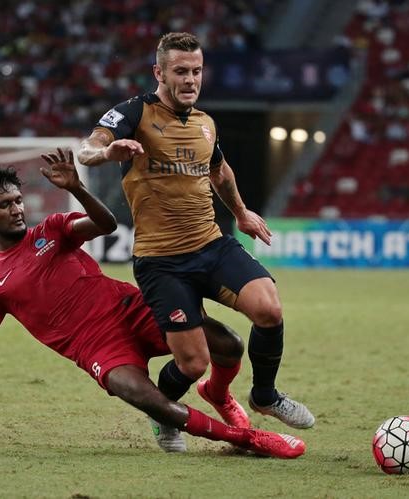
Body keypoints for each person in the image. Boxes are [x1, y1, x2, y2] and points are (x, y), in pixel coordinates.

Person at [0, 149, 305, 460]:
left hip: (131, 307)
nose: (17, 209)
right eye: (5, 205)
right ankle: (249, 439)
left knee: (228, 345)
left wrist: (75, 188)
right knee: (150, 400)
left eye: (18, 200)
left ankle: (219, 393)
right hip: (97, 349)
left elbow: (107, 224)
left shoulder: (53, 231)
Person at [77, 32, 315, 446]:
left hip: (211, 244)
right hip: (161, 261)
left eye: (197, 71)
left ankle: (264, 395)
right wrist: (105, 154)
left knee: (269, 308)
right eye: (181, 71)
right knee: (192, 364)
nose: (190, 80)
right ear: (159, 73)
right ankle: (165, 415)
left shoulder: (206, 123)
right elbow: (87, 148)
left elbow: (220, 173)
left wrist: (241, 214)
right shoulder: (134, 113)